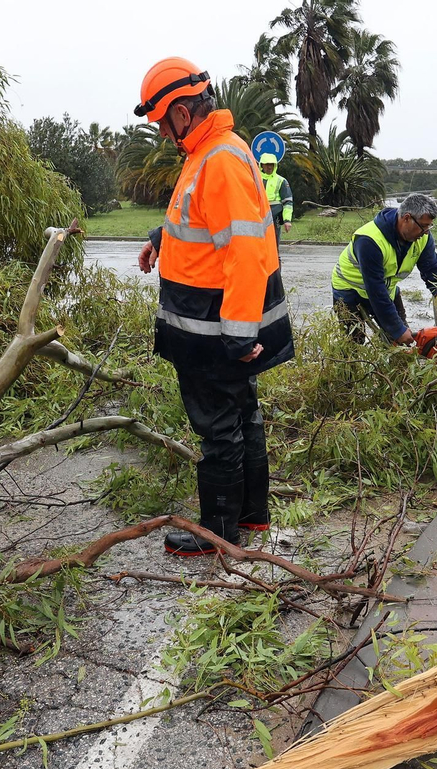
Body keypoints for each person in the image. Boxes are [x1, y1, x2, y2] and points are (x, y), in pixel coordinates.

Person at [133, 56, 294, 556]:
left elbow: (243, 251)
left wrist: (239, 334)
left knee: (217, 426)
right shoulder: (214, 152)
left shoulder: (219, 158)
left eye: (163, 122)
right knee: (243, 413)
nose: (163, 133)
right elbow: (204, 223)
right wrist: (163, 238)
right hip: (218, 325)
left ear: (183, 112)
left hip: (212, 329)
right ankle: (252, 517)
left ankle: (219, 532)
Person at [331, 193, 437, 345]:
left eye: (429, 226)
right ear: (406, 218)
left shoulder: (423, 237)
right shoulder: (369, 240)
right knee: (354, 344)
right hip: (349, 290)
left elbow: (434, 274)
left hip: (386, 290)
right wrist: (397, 329)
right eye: (423, 226)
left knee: (402, 344)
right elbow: (375, 289)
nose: (426, 232)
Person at [259, 153, 293, 252]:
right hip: (257, 216)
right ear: (261, 165)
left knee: (274, 246)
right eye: (267, 164)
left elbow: (288, 202)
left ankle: (275, 266)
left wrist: (287, 220)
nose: (270, 167)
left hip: (275, 216)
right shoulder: (254, 179)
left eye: (272, 164)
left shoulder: (281, 181)